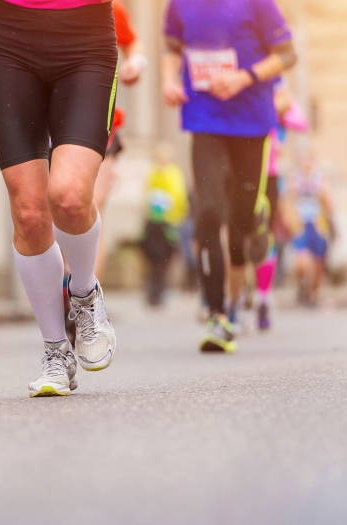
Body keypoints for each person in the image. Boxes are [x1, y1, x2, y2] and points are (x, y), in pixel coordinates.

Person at [0, 0, 118, 397]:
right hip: (11, 40)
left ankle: (84, 294)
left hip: (85, 40)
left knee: (70, 196)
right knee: (28, 212)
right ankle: (56, 350)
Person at [162, 0, 298, 353]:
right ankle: (217, 314)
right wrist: (168, 80)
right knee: (207, 211)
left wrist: (245, 76)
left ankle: (251, 228)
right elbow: (172, 49)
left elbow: (287, 55)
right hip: (204, 119)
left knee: (240, 224)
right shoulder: (179, 4)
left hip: (251, 122)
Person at [93, 0, 147, 277]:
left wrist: (135, 63)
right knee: (54, 207)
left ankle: (84, 294)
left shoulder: (110, 6)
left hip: (103, 123)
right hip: (48, 122)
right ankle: (66, 282)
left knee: (90, 207)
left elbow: (132, 45)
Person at [253, 83, 309, 329]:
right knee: (241, 234)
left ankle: (263, 297)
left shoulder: (279, 87)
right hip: (246, 172)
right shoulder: (250, 83)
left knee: (267, 237)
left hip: (272, 177)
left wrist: (281, 105)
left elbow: (301, 122)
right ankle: (236, 297)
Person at [282, 154, 333, 308]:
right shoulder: (295, 180)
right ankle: (302, 286)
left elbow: (330, 204)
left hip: (317, 226)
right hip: (301, 226)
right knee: (302, 263)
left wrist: (322, 193)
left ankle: (313, 295)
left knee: (318, 263)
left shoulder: (320, 180)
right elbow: (285, 201)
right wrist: (289, 220)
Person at [141, 142, 188, 307]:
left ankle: (158, 291)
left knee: (165, 260)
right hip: (156, 224)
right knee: (155, 260)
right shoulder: (155, 172)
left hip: (168, 223)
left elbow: (179, 198)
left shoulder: (173, 174)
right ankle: (154, 291)